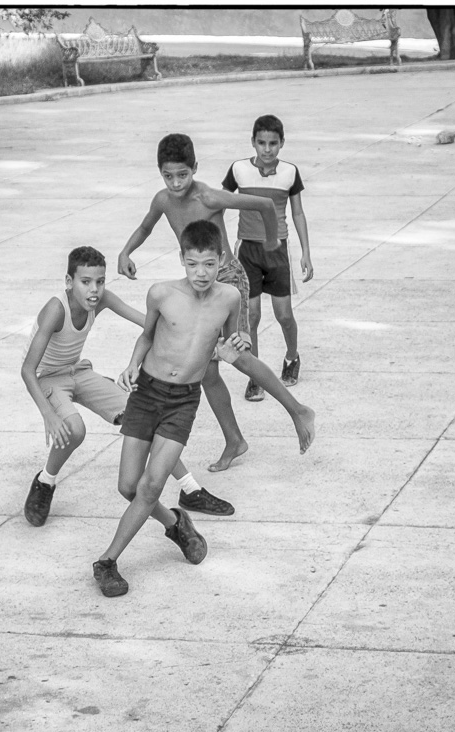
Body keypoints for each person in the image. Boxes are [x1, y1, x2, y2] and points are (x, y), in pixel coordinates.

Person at [94, 220, 313, 598]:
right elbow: (146, 336)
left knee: (151, 486)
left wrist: (237, 344)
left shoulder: (229, 297)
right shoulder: (161, 294)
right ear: (182, 259)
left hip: (183, 401)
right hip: (146, 393)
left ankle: (107, 561)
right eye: (193, 263)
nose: (201, 272)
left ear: (221, 259)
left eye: (209, 264)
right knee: (129, 487)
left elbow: (236, 338)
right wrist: (132, 365)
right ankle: (177, 524)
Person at [117, 133, 313, 472]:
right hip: (199, 279)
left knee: (237, 355)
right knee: (206, 371)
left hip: (226, 279)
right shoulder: (163, 200)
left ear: (195, 167)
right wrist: (126, 251)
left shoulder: (209, 197)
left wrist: (271, 241)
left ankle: (298, 411)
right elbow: (146, 226)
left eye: (182, 174)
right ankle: (234, 439)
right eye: (168, 176)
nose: (176, 183)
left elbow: (265, 206)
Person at [21, 245, 234, 528]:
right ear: (69, 282)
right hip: (47, 377)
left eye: (100, 281)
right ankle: (45, 481)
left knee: (144, 416)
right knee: (75, 430)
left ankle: (190, 489)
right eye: (85, 282)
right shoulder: (55, 309)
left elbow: (146, 323)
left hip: (77, 370)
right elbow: (27, 370)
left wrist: (196, 336)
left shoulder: (101, 299)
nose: (94, 289)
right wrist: (48, 414)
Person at [222, 114, 313, 400]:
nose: (267, 149)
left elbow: (297, 213)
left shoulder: (290, 172)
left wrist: (306, 252)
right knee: (251, 316)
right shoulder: (238, 170)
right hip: (247, 251)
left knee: (284, 315)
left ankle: (292, 356)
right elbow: (218, 203)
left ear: (282, 143)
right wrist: (220, 247)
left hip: (277, 251)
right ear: (253, 142)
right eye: (261, 143)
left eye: (273, 143)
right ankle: (256, 375)